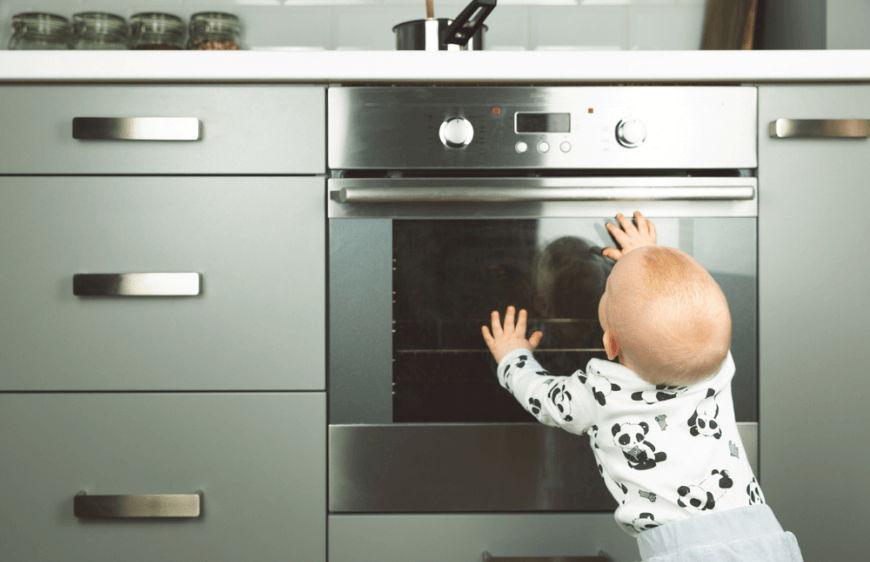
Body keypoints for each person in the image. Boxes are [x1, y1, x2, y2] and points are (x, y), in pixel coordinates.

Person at [481, 211, 804, 561]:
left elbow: (543, 397)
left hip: (684, 552)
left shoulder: (601, 391)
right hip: (761, 535)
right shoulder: (716, 365)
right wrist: (648, 258)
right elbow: (690, 309)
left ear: (611, 344)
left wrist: (513, 355)